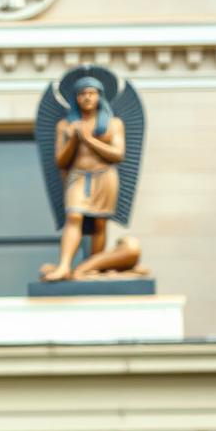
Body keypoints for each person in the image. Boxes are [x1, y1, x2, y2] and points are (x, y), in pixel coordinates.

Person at [41, 77, 125, 282]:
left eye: (91, 93)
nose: (87, 97)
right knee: (74, 216)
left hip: (105, 176)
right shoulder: (65, 125)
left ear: (99, 96)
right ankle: (64, 266)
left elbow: (117, 154)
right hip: (77, 175)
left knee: (99, 224)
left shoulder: (113, 124)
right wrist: (74, 139)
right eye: (82, 94)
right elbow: (61, 160)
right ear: (75, 98)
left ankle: (91, 267)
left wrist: (88, 139)